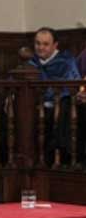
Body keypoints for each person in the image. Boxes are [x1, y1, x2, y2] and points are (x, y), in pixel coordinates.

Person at [29, 27, 80, 162]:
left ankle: (59, 158)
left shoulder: (66, 62)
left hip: (60, 105)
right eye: (37, 43)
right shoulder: (30, 63)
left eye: (45, 44)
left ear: (55, 45)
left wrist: (48, 99)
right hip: (35, 106)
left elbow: (72, 86)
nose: (40, 48)